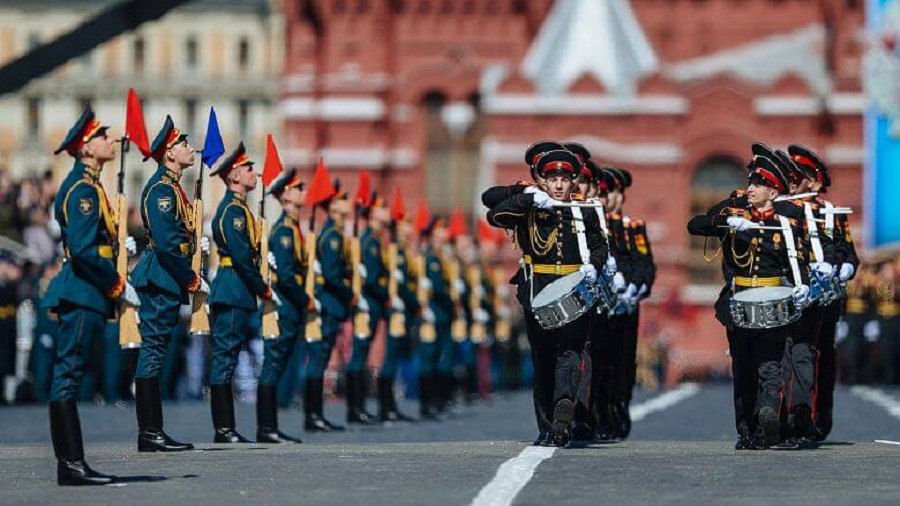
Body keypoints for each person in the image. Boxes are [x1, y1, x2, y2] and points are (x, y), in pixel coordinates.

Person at [42, 106, 141, 484]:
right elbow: (83, 250)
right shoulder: (82, 190)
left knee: (71, 373)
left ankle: (72, 462)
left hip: (88, 290)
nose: (111, 140)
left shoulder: (91, 186)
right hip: (83, 291)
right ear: (86, 148)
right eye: (103, 136)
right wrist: (116, 284)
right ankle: (70, 464)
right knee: (67, 375)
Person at [486, 149, 608, 447]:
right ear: (542, 180)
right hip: (536, 289)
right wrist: (526, 197)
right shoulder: (529, 206)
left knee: (570, 353)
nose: (558, 185)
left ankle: (562, 415)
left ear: (573, 181)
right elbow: (492, 208)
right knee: (542, 358)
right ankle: (546, 424)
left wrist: (595, 266)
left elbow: (600, 246)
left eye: (564, 179)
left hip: (575, 288)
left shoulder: (588, 210)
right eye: (552, 178)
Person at [688, 152, 810, 449]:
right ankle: (746, 430)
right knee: (743, 367)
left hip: (773, 301)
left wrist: (802, 285)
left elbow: (799, 260)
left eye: (759, 184)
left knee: (770, 365)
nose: (751, 188)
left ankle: (767, 416)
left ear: (774, 191)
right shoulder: (735, 209)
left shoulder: (787, 220)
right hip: (739, 301)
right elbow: (696, 224)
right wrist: (727, 221)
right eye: (751, 182)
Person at [130, 115, 207, 452]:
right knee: (154, 350)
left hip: (166, 276)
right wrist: (190, 278)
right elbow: (164, 243)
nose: (191, 149)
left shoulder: (173, 187)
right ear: (169, 153)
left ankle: (152, 431)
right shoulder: (162, 190)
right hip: (161, 276)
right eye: (184, 144)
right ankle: (150, 432)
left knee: (158, 351)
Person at [207, 142, 280, 443]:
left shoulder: (241, 210)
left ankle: (228, 427)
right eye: (249, 168)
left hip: (238, 288)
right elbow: (239, 256)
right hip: (233, 288)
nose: (255, 173)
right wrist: (262, 287)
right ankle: (223, 428)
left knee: (231, 357)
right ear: (234, 175)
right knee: (225, 358)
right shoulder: (233, 212)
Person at [256, 167, 307, 443]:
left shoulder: (293, 228)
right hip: (285, 303)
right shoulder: (284, 232)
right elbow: (286, 275)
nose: (304, 192)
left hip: (291, 303)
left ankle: (270, 426)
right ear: (286, 195)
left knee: (279, 362)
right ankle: (266, 427)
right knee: (273, 362)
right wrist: (306, 299)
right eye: (299, 188)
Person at [306, 181, 350, 432]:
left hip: (332, 302)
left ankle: (316, 414)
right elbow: (333, 275)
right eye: (342, 199)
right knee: (320, 356)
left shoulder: (336, 231)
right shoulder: (332, 235)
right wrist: (349, 292)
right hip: (330, 302)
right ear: (332, 205)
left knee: (322, 357)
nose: (347, 203)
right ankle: (313, 415)